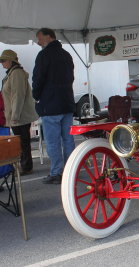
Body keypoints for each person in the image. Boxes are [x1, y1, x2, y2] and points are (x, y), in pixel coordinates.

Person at [32, 28, 76, 184]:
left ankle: (57, 172)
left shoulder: (44, 55)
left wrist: (36, 96)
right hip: (67, 103)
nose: (38, 42)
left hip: (50, 104)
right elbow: (71, 77)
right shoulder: (66, 55)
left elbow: (38, 79)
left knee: (52, 141)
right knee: (68, 140)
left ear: (49, 37)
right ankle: (71, 170)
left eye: (39, 38)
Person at [0, 49, 38, 175]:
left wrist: (15, 115)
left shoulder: (16, 74)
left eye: (3, 60)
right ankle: (25, 165)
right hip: (17, 115)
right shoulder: (13, 73)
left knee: (22, 142)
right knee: (22, 141)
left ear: (11, 61)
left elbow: (18, 96)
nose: (1, 63)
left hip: (19, 116)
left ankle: (26, 166)